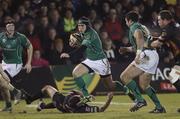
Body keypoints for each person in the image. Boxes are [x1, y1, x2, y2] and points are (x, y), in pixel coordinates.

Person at [60, 16, 135, 102]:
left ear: (87, 26)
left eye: (82, 26)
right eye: (79, 26)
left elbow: (82, 48)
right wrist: (75, 42)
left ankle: (126, 90)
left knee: (110, 85)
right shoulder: (83, 33)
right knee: (75, 73)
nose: (80, 28)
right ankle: (86, 96)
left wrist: (69, 55)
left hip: (101, 62)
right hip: (90, 60)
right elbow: (80, 42)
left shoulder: (91, 34)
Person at [119, 11, 166, 113]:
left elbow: (140, 39)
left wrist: (138, 54)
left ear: (130, 20)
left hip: (146, 55)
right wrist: (127, 49)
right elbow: (141, 43)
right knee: (144, 85)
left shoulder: (134, 27)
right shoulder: (142, 26)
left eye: (126, 21)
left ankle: (140, 100)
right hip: (153, 55)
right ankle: (159, 107)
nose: (126, 23)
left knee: (124, 77)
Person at [0, 19, 33, 112]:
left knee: (1, 80)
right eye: (9, 26)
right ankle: (8, 106)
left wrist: (29, 62)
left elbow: (30, 46)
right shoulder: (1, 36)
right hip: (5, 63)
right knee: (2, 85)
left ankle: (16, 92)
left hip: (16, 64)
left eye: (12, 26)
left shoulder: (20, 37)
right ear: (5, 28)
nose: (11, 28)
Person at [151, 10, 180, 112]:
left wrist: (145, 44)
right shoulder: (175, 26)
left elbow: (158, 44)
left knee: (173, 77)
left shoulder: (167, 29)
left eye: (159, 20)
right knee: (174, 77)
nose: (158, 22)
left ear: (165, 20)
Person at [23, 85, 113, 113]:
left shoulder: (80, 106)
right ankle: (42, 106)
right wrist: (109, 99)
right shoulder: (84, 108)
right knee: (48, 90)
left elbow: (77, 103)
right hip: (62, 104)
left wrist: (87, 98)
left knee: (47, 88)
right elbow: (101, 109)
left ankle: (30, 100)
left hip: (61, 102)